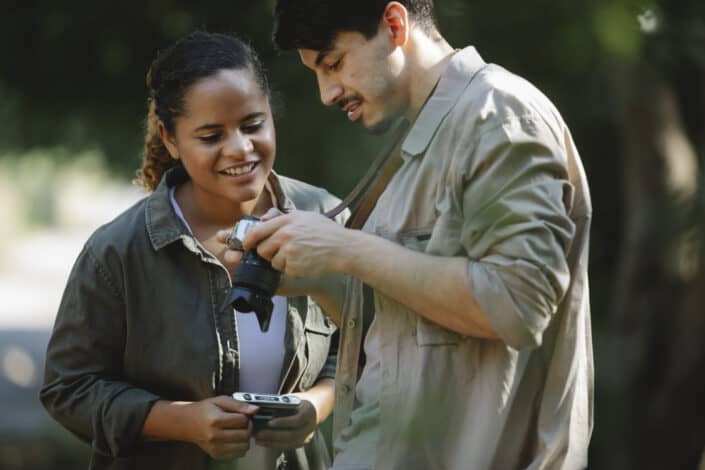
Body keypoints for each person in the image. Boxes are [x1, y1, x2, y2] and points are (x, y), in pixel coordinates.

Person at [218, 1, 594, 469]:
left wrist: (345, 248)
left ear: (394, 25)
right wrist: (311, 274)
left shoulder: (498, 116)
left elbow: (519, 304)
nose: (326, 92)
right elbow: (406, 328)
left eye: (333, 64)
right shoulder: (421, 135)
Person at [40, 31, 345, 470]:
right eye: (210, 135)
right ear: (169, 138)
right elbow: (67, 389)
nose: (240, 148)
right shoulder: (117, 253)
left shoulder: (328, 219)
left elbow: (370, 344)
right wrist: (181, 422)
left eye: (253, 125)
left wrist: (317, 405)